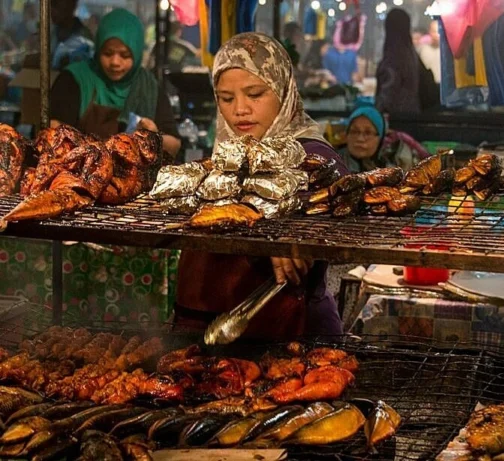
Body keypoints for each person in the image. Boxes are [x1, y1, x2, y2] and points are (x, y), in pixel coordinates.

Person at [175, 33, 346, 339]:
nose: (240, 109)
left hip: (295, 336)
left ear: (283, 91)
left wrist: (287, 235)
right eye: (226, 98)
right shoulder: (216, 165)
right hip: (217, 336)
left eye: (254, 94)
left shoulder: (314, 158)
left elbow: (337, 201)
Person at [49, 8, 181, 157]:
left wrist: (155, 137)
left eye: (125, 55)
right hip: (77, 174)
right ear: (98, 48)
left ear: (137, 53)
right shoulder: (74, 79)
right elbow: (52, 129)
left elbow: (174, 144)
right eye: (107, 53)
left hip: (133, 178)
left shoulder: (148, 87)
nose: (115, 62)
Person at [339, 105, 429, 173]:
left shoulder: (396, 166)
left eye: (368, 133)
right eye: (354, 131)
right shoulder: (335, 163)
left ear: (380, 138)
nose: (360, 139)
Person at [376, 9, 427, 114]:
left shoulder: (393, 57)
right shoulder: (411, 54)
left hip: (395, 121)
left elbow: (388, 95)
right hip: (412, 117)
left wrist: (376, 114)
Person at [417, 20, 441, 84]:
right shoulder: (422, 50)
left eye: (438, 31)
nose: (436, 34)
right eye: (434, 31)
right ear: (430, 32)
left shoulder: (446, 53)